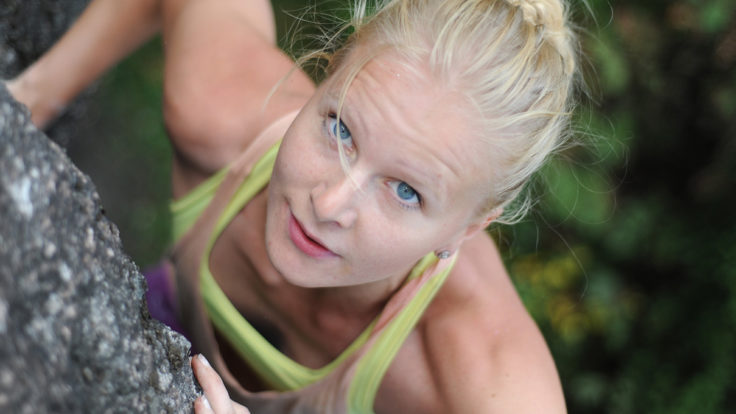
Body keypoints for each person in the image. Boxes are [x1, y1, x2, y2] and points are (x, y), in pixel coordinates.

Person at [9, 0, 578, 412]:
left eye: (406, 191)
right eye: (340, 128)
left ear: (473, 224)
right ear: (327, 72)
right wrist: (32, 102)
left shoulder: (479, 376)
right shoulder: (222, 112)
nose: (330, 203)